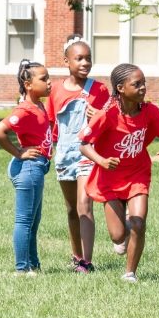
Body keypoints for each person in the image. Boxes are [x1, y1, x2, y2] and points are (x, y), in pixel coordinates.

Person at [79, 63, 159, 283]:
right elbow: (84, 144)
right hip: (110, 179)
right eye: (137, 84)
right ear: (121, 88)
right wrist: (102, 161)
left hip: (137, 175)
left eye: (144, 83)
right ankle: (124, 224)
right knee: (118, 236)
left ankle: (130, 273)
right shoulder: (107, 114)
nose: (143, 88)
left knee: (138, 224)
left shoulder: (150, 111)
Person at [49, 35, 110, 273]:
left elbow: (110, 123)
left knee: (85, 206)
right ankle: (76, 257)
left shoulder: (99, 89)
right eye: (79, 58)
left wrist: (98, 117)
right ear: (67, 61)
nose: (85, 63)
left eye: (88, 58)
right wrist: (48, 151)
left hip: (88, 154)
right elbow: (54, 126)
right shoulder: (55, 90)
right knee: (71, 209)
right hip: (65, 155)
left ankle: (87, 261)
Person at [0, 60, 54, 275]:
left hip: (38, 168)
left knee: (34, 223)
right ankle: (21, 269)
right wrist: (19, 152)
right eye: (43, 79)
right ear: (28, 84)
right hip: (29, 168)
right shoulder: (25, 109)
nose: (49, 83)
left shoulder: (39, 104)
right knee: (24, 221)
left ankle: (33, 265)